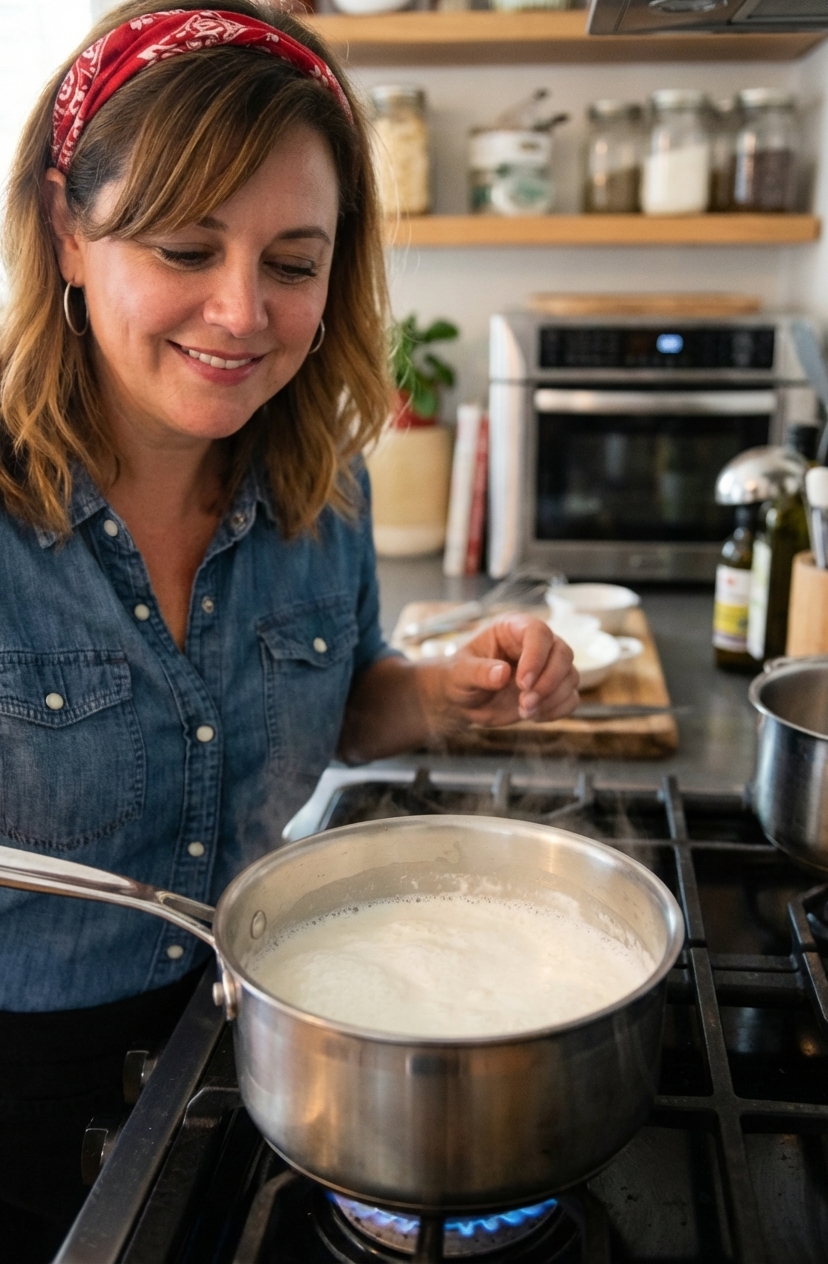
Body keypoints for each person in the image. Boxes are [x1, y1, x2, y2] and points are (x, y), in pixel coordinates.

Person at [0, 3, 579, 1258]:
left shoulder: (328, 483)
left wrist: (445, 694)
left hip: (274, 1049)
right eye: (187, 245)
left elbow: (344, 697)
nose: (241, 312)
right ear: (66, 230)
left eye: (293, 263)